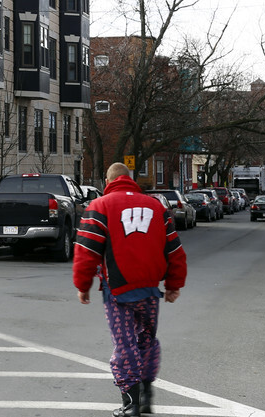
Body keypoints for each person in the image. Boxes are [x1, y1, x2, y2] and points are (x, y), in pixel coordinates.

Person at [74, 163, 187, 417]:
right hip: (149, 289)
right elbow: (175, 251)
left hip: (117, 291)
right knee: (147, 339)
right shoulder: (157, 207)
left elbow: (86, 251)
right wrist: (173, 284)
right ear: (130, 179)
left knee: (124, 343)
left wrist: (83, 286)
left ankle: (130, 404)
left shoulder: (100, 206)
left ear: (108, 180)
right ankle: (147, 395)